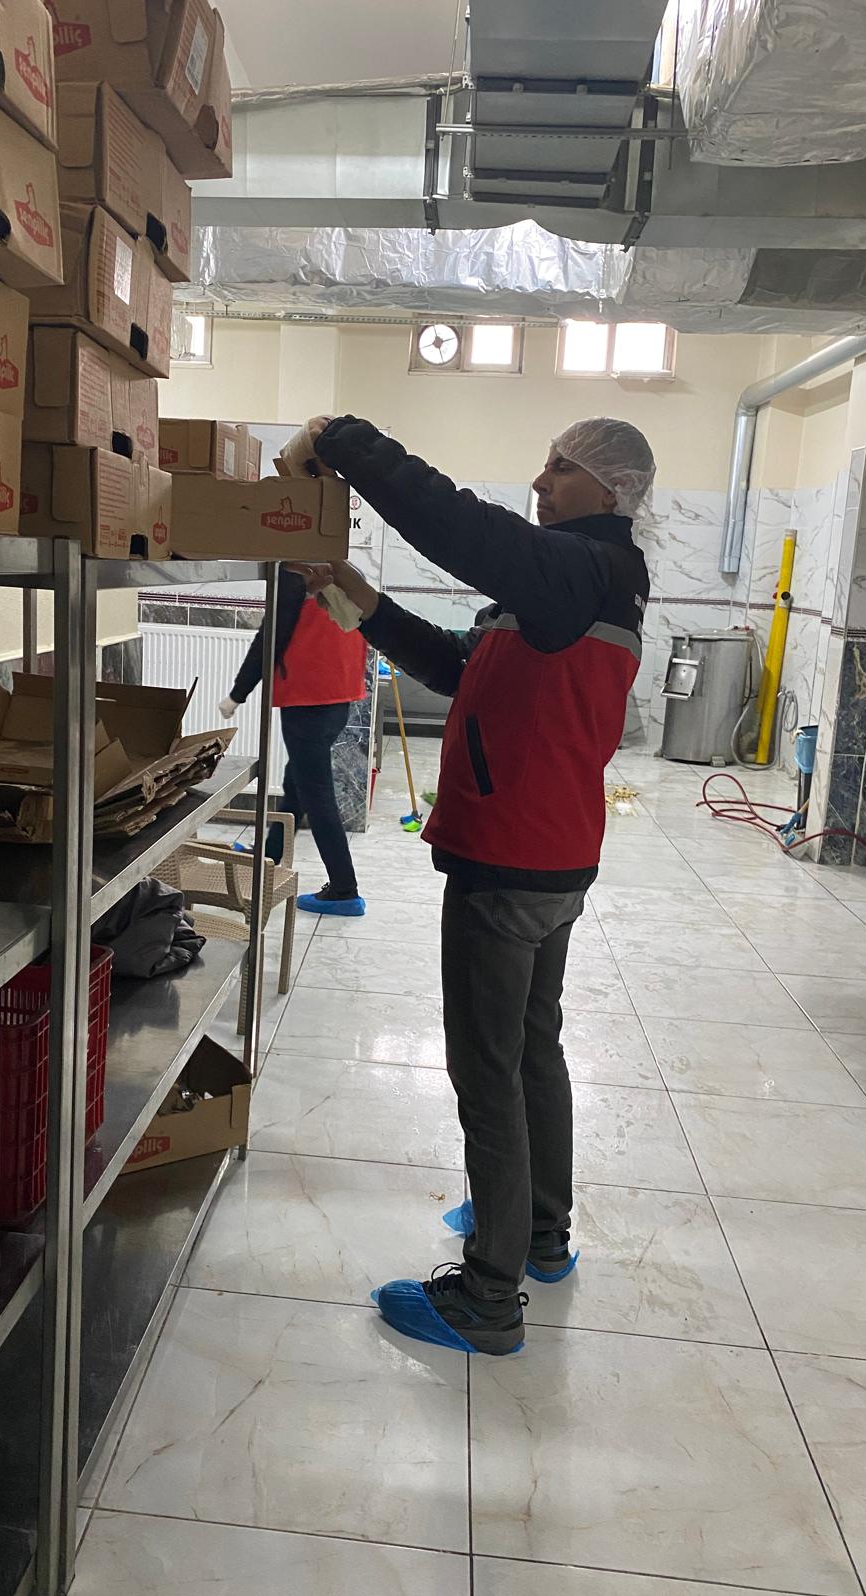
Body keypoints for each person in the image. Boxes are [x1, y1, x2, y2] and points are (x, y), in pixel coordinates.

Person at [287, 414, 654, 1355]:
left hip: (510, 861)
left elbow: (460, 527)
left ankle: (489, 1295)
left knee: (486, 1071)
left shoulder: (582, 566)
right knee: (530, 1048)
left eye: (561, 466)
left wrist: (347, 441)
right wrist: (365, 606)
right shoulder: (581, 581)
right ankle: (539, 1233)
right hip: (549, 855)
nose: (541, 480)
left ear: (610, 489)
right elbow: (463, 668)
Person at [220, 563, 367, 916]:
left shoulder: (293, 571)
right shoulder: (341, 569)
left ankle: (344, 890)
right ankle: (269, 855)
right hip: (338, 697)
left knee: (317, 795)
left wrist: (238, 694)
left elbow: (271, 637)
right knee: (297, 781)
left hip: (307, 701)